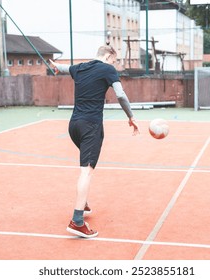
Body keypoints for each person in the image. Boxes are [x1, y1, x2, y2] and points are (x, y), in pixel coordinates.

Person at [49, 46, 140, 238]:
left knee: (86, 167)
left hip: (74, 126)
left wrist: (56, 65)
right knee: (86, 171)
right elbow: (121, 95)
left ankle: (83, 202)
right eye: (114, 60)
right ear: (108, 56)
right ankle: (77, 221)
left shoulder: (80, 68)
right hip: (91, 126)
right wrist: (131, 117)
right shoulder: (107, 69)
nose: (113, 64)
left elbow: (64, 68)